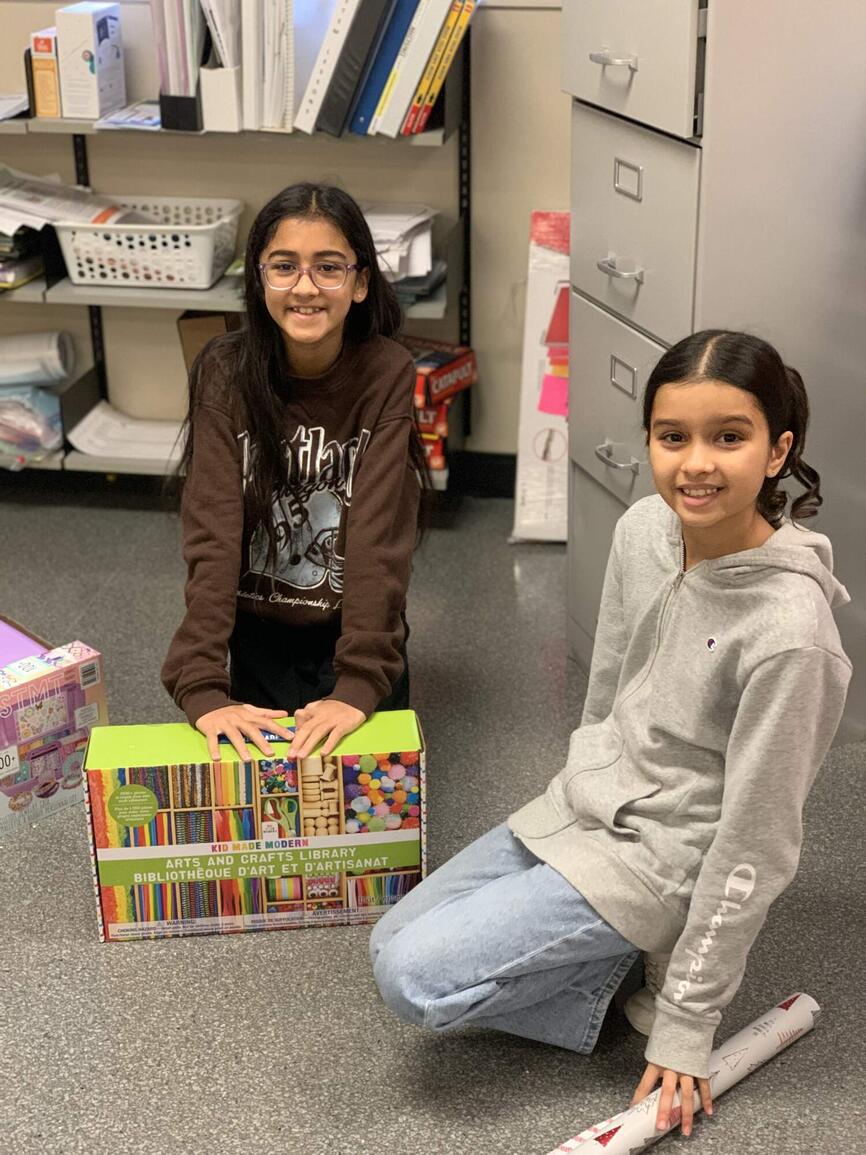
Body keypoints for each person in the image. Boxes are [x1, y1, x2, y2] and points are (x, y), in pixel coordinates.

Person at [369, 330, 851, 1138]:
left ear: (778, 451)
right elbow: (608, 692)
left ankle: (653, 953)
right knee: (390, 942)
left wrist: (687, 1020)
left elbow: (758, 843)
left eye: (729, 437)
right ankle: (612, 966)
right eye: (673, 436)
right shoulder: (643, 530)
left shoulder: (792, 636)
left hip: (665, 858)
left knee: (414, 981)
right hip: (585, 808)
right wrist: (582, 777)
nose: (696, 463)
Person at [162, 182, 424, 763]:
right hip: (258, 632)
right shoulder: (222, 370)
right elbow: (212, 534)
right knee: (271, 803)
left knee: (362, 803)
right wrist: (201, 684)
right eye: (284, 267)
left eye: (328, 267)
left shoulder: (387, 372)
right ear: (260, 280)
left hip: (354, 629)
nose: (305, 287)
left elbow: (377, 540)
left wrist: (359, 682)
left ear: (359, 283)